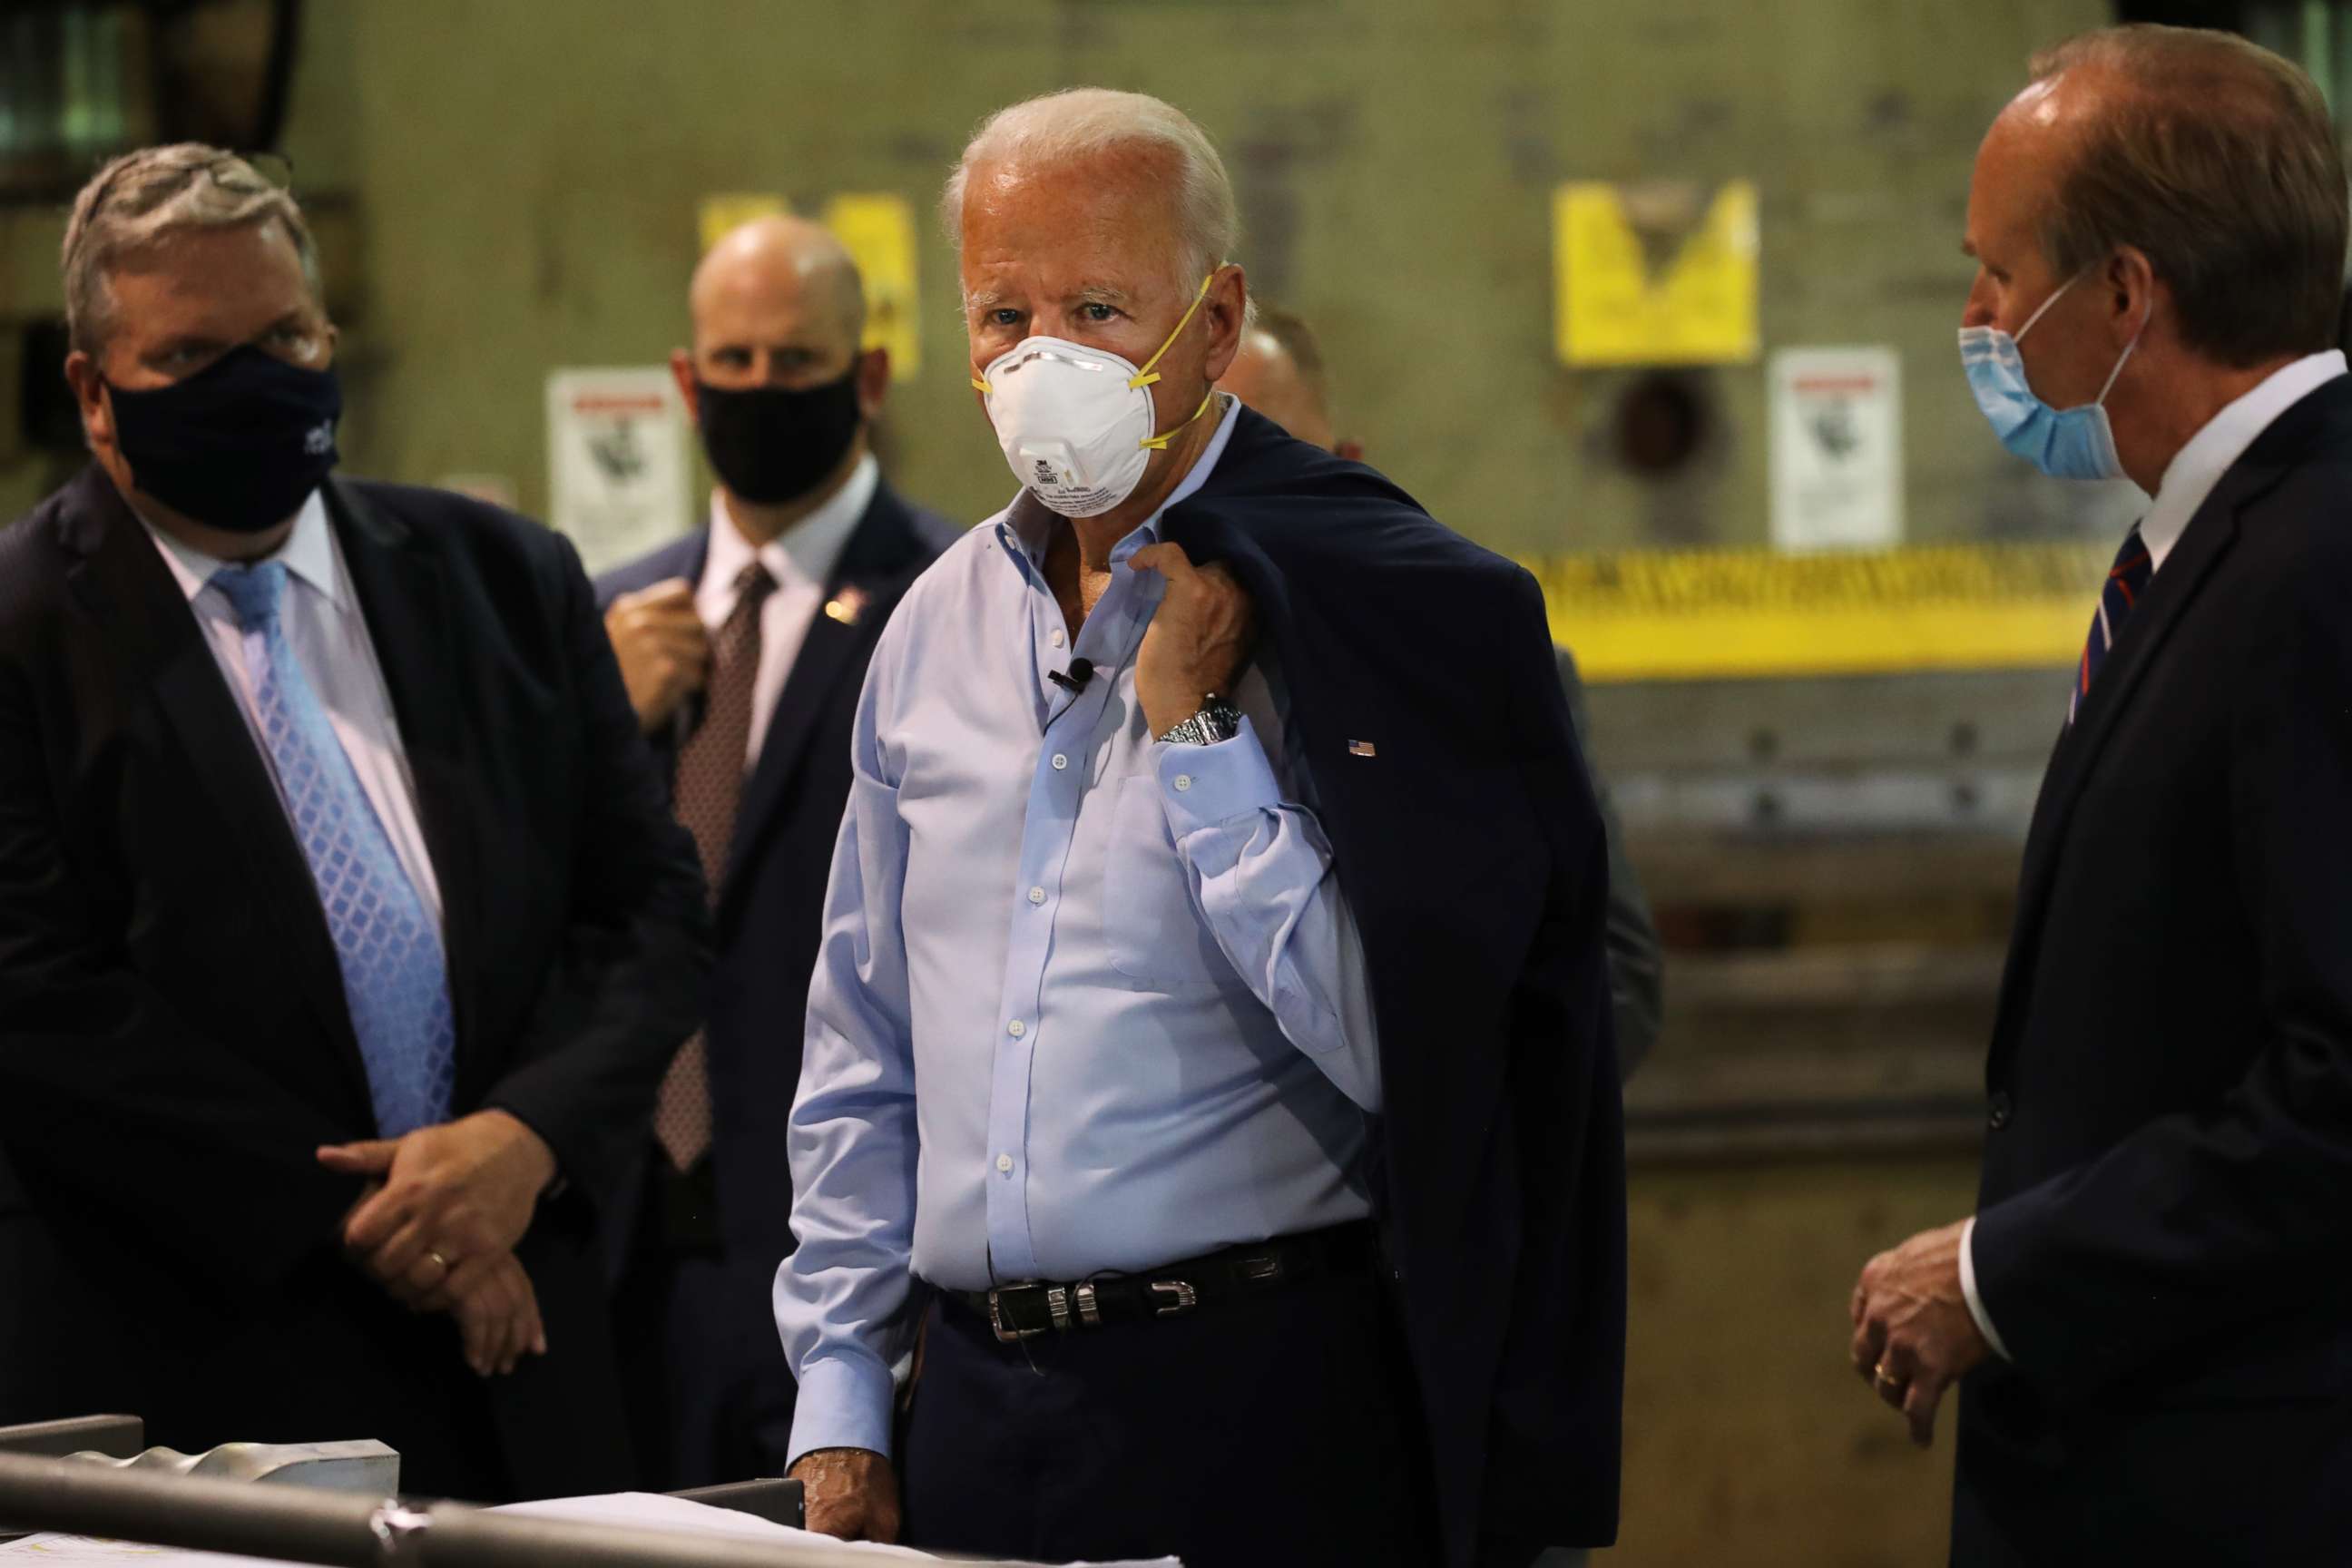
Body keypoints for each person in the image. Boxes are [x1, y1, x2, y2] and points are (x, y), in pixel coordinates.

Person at [776, 88, 1625, 1568]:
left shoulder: (1386, 606)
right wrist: (841, 1392)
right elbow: (861, 1036)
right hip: (967, 1405)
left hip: (1256, 1394)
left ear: (1215, 322)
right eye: (1002, 314)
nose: (1042, 359)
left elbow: (1416, 1051)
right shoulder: (933, 622)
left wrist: (1199, 742)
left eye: (1099, 308)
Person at [0, 145, 710, 1502]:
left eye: (286, 336)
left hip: (526, 1372)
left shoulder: (505, 580)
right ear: (94, 394)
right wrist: (405, 1223)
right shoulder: (26, 631)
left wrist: (521, 1144)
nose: (257, 382)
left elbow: (649, 911)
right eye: (196, 357)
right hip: (189, 1392)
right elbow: (43, 1010)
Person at [1846, 27, 2352, 1562]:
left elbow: (2339, 1085)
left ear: (2125, 296)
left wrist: (2005, 1273)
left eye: (1998, 275)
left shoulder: (2317, 563)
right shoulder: (2216, 549)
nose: (1978, 316)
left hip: (2244, 1478)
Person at [593, 215, 957, 1490]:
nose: (759, 392)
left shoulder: (956, 600)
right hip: (627, 1262)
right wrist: (602, 723)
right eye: (732, 364)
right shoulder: (605, 621)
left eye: (795, 363)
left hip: (846, 1261)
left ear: (865, 378)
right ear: (686, 383)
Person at [1221, 309, 1665, 1079]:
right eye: (1190, 469)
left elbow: (1613, 986)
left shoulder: (1473, 671)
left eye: (1263, 459)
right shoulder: (1092, 685)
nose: (1223, 508)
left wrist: (1428, 1121)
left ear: (1344, 466)